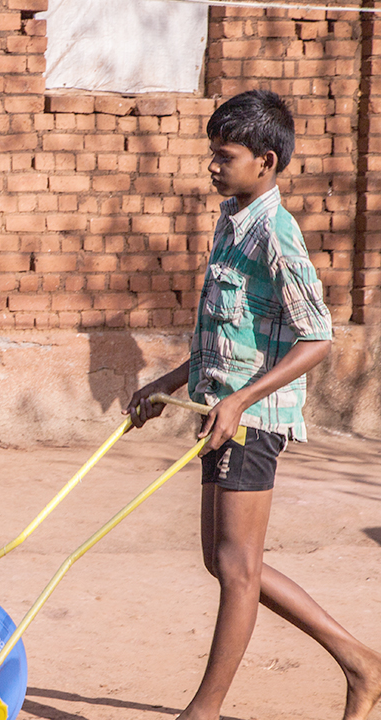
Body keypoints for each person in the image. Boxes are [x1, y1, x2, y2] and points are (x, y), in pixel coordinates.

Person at [124, 89, 381, 720]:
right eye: (212, 154)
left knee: (236, 567)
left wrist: (239, 402)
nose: (212, 166)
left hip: (253, 421)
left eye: (225, 156)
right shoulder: (230, 219)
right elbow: (225, 335)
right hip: (226, 412)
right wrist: (170, 383)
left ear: (265, 161)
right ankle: (360, 663)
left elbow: (316, 336)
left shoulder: (276, 233)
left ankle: (204, 711)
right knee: (225, 560)